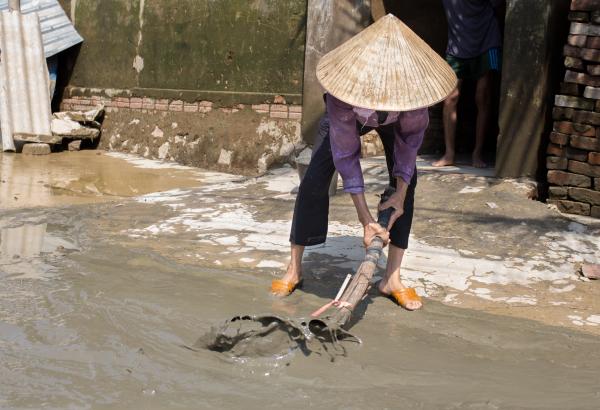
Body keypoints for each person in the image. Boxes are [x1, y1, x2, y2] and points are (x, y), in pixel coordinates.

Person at [270, 14, 457, 311]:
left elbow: (408, 150)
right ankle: (294, 268)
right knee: (314, 180)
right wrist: (366, 220)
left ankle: (391, 278)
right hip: (349, 117)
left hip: (394, 122)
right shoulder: (343, 96)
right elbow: (347, 155)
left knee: (408, 184)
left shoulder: (413, 105)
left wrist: (400, 194)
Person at [433, 0, 504, 168]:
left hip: (486, 40)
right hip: (457, 45)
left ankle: (477, 153)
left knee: (483, 96)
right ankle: (449, 154)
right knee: (450, 98)